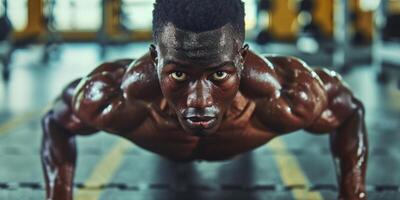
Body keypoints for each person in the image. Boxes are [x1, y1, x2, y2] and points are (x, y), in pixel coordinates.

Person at [41, 0, 368, 199]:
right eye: (180, 75)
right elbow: (56, 120)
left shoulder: (287, 94)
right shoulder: (114, 96)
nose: (199, 101)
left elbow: (349, 111)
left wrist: (353, 194)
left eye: (218, 75)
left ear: (241, 59)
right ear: (155, 58)